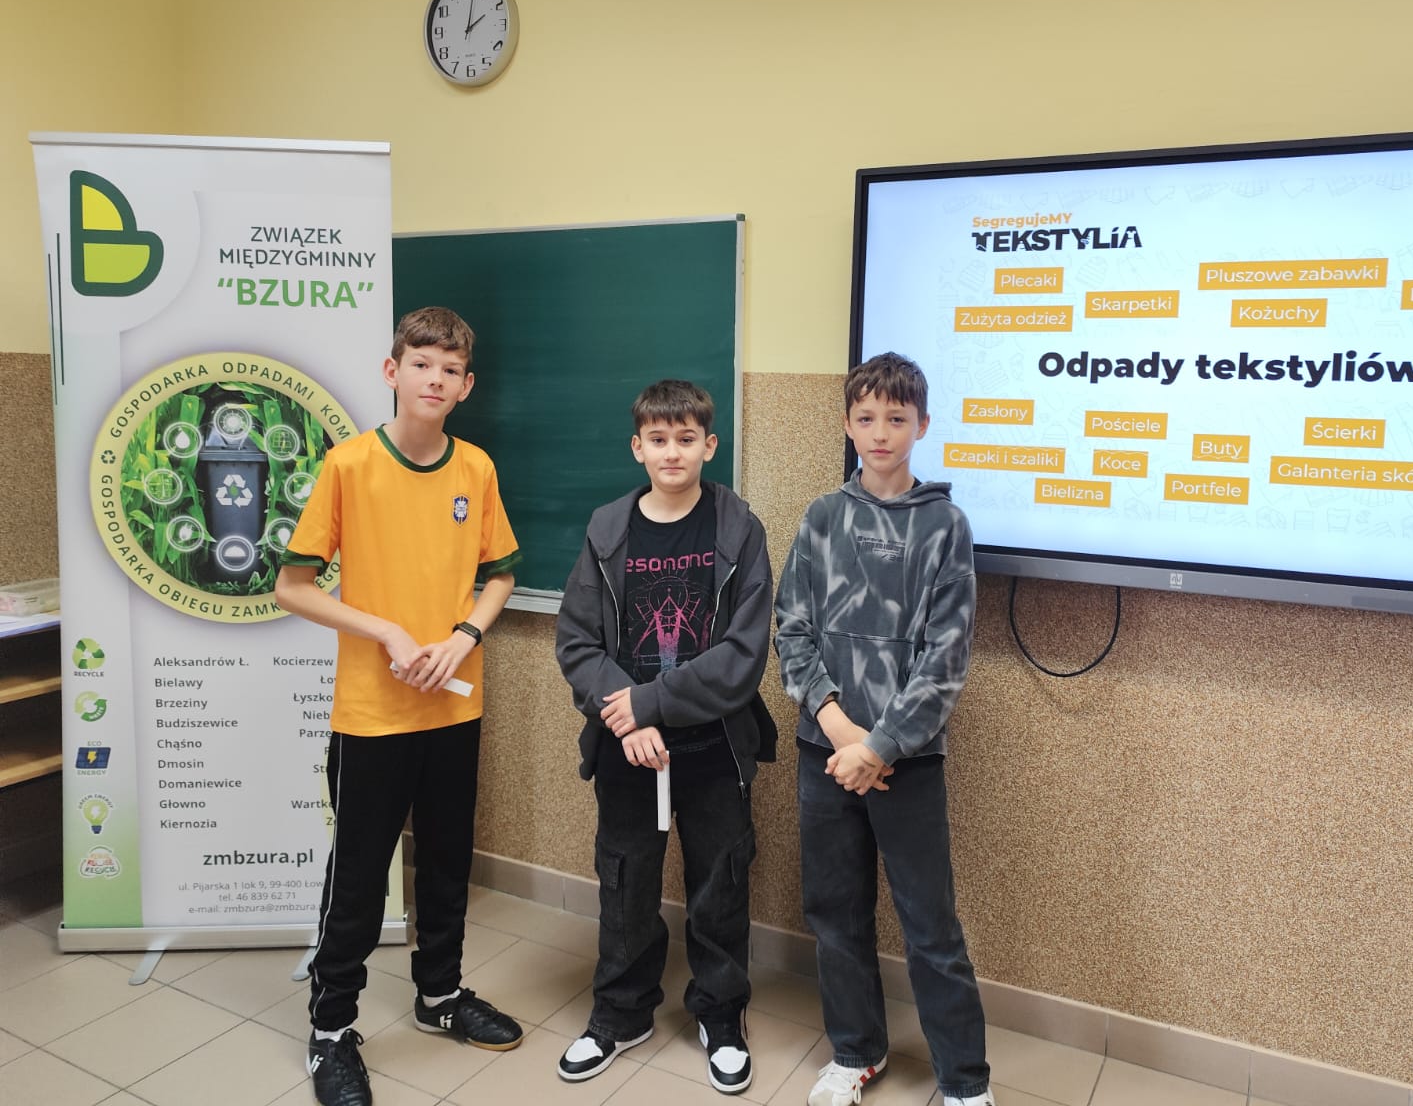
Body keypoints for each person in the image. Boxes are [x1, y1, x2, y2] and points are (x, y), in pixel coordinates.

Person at [276, 307, 524, 1106]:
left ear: (467, 385)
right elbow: (292, 586)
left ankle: (440, 995)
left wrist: (465, 635)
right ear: (393, 372)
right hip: (372, 714)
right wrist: (382, 628)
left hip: (453, 708)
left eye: (450, 370)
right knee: (358, 876)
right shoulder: (349, 465)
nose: (435, 380)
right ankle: (330, 1030)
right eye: (421, 364)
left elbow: (500, 575)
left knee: (448, 863)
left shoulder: (476, 468)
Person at [774, 352, 994, 1106]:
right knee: (834, 913)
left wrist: (879, 746)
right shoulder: (822, 518)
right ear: (847, 424)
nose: (880, 432)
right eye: (866, 418)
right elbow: (792, 631)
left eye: (896, 419)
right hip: (825, 754)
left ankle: (964, 1081)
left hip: (907, 762)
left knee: (930, 926)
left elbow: (946, 659)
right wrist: (841, 732)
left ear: (921, 426)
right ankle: (856, 1052)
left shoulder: (945, 526)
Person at [554, 379, 775, 1095]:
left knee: (720, 883)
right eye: (658, 439)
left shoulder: (738, 529)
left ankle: (721, 1015)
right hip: (627, 748)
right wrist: (628, 719)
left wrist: (650, 704)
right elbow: (577, 642)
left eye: (686, 439)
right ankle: (620, 1015)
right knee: (625, 884)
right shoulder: (608, 529)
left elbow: (743, 655)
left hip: (713, 748)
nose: (671, 452)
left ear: (710, 445)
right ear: (637, 447)